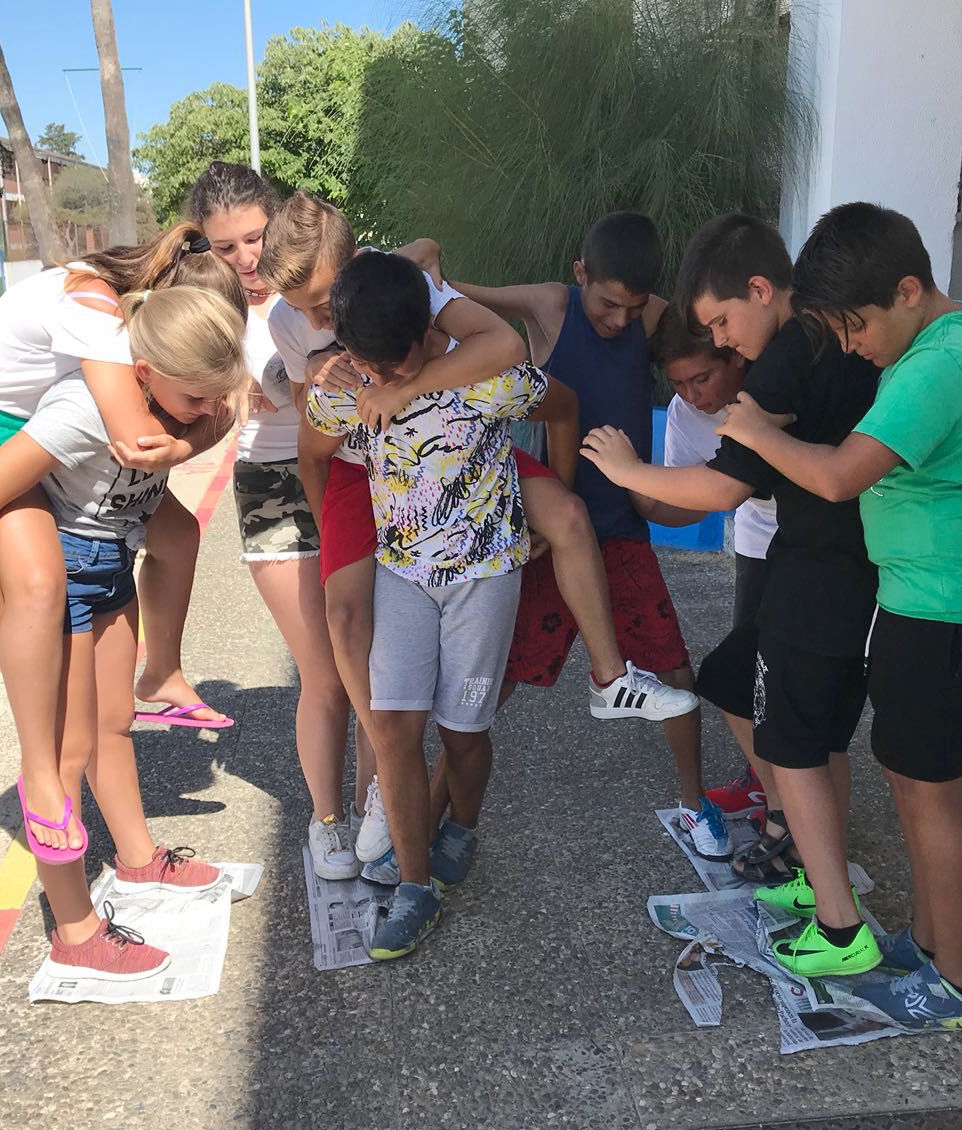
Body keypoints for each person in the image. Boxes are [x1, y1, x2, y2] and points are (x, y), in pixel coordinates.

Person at [259, 194, 696, 879]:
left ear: (354, 268)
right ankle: (378, 792)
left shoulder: (409, 293)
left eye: (323, 307)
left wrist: (411, 387)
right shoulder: (297, 323)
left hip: (451, 437)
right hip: (358, 466)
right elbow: (315, 442)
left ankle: (609, 678)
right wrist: (331, 524)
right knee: (348, 618)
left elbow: (508, 351)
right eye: (309, 314)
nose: (316, 322)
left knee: (567, 520)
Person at [715, 201, 962, 1030]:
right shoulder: (942, 339)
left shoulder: (936, 363)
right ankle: (926, 950)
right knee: (912, 784)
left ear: (908, 290)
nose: (852, 346)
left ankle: (958, 986)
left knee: (932, 801)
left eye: (857, 327)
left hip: (949, 609)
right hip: (925, 602)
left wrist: (755, 430)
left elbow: (839, 476)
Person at [583, 213, 883, 978]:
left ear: (759, 289)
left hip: (822, 570)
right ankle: (821, 876)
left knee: (796, 745)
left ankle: (840, 926)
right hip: (829, 560)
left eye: (722, 323)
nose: (721, 341)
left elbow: (723, 486)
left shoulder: (785, 356)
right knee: (766, 706)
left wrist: (627, 471)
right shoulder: (822, 337)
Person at [0, 224, 245, 858]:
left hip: (47, 455)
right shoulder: (99, 322)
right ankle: (40, 777)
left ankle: (164, 674)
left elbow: (208, 413)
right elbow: (134, 442)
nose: (207, 403)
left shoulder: (148, 346)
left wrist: (187, 436)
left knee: (177, 531)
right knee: (39, 588)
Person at [0, 285, 247, 978]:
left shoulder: (171, 399)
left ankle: (137, 862)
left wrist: (194, 424)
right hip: (67, 574)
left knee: (114, 721)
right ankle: (75, 928)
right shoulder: (82, 412)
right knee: (62, 753)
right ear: (144, 371)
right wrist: (5, 621)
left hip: (113, 558)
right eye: (195, 397)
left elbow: (224, 411)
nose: (205, 413)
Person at [306, 252, 551, 959]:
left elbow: (530, 368)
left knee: (465, 734)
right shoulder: (345, 387)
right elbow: (315, 445)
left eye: (396, 366)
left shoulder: (484, 382)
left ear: (429, 334)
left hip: (483, 580)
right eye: (366, 365)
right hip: (402, 577)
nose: (382, 381)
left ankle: (462, 828)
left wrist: (551, 510)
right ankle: (416, 888)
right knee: (392, 730)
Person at [450, 213, 714, 856]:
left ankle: (694, 803)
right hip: (547, 530)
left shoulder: (650, 316)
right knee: (493, 681)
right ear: (580, 275)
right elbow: (456, 297)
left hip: (619, 532)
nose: (620, 320)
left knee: (675, 672)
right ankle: (439, 810)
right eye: (607, 304)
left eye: (633, 307)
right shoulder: (550, 306)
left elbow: (714, 329)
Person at [187, 162, 373, 882]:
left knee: (371, 668)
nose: (244, 261)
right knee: (324, 672)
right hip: (272, 483)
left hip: (356, 472)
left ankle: (377, 814)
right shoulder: (210, 306)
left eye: (253, 239)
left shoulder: (319, 283)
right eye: (224, 247)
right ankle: (330, 821)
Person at [639, 307, 777, 818]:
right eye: (678, 384)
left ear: (735, 355)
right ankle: (764, 781)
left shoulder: (774, 387)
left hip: (816, 542)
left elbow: (720, 491)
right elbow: (691, 499)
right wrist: (643, 500)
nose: (694, 396)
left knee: (763, 676)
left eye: (702, 378)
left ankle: (787, 795)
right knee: (750, 677)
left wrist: (636, 476)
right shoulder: (683, 414)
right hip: (757, 539)